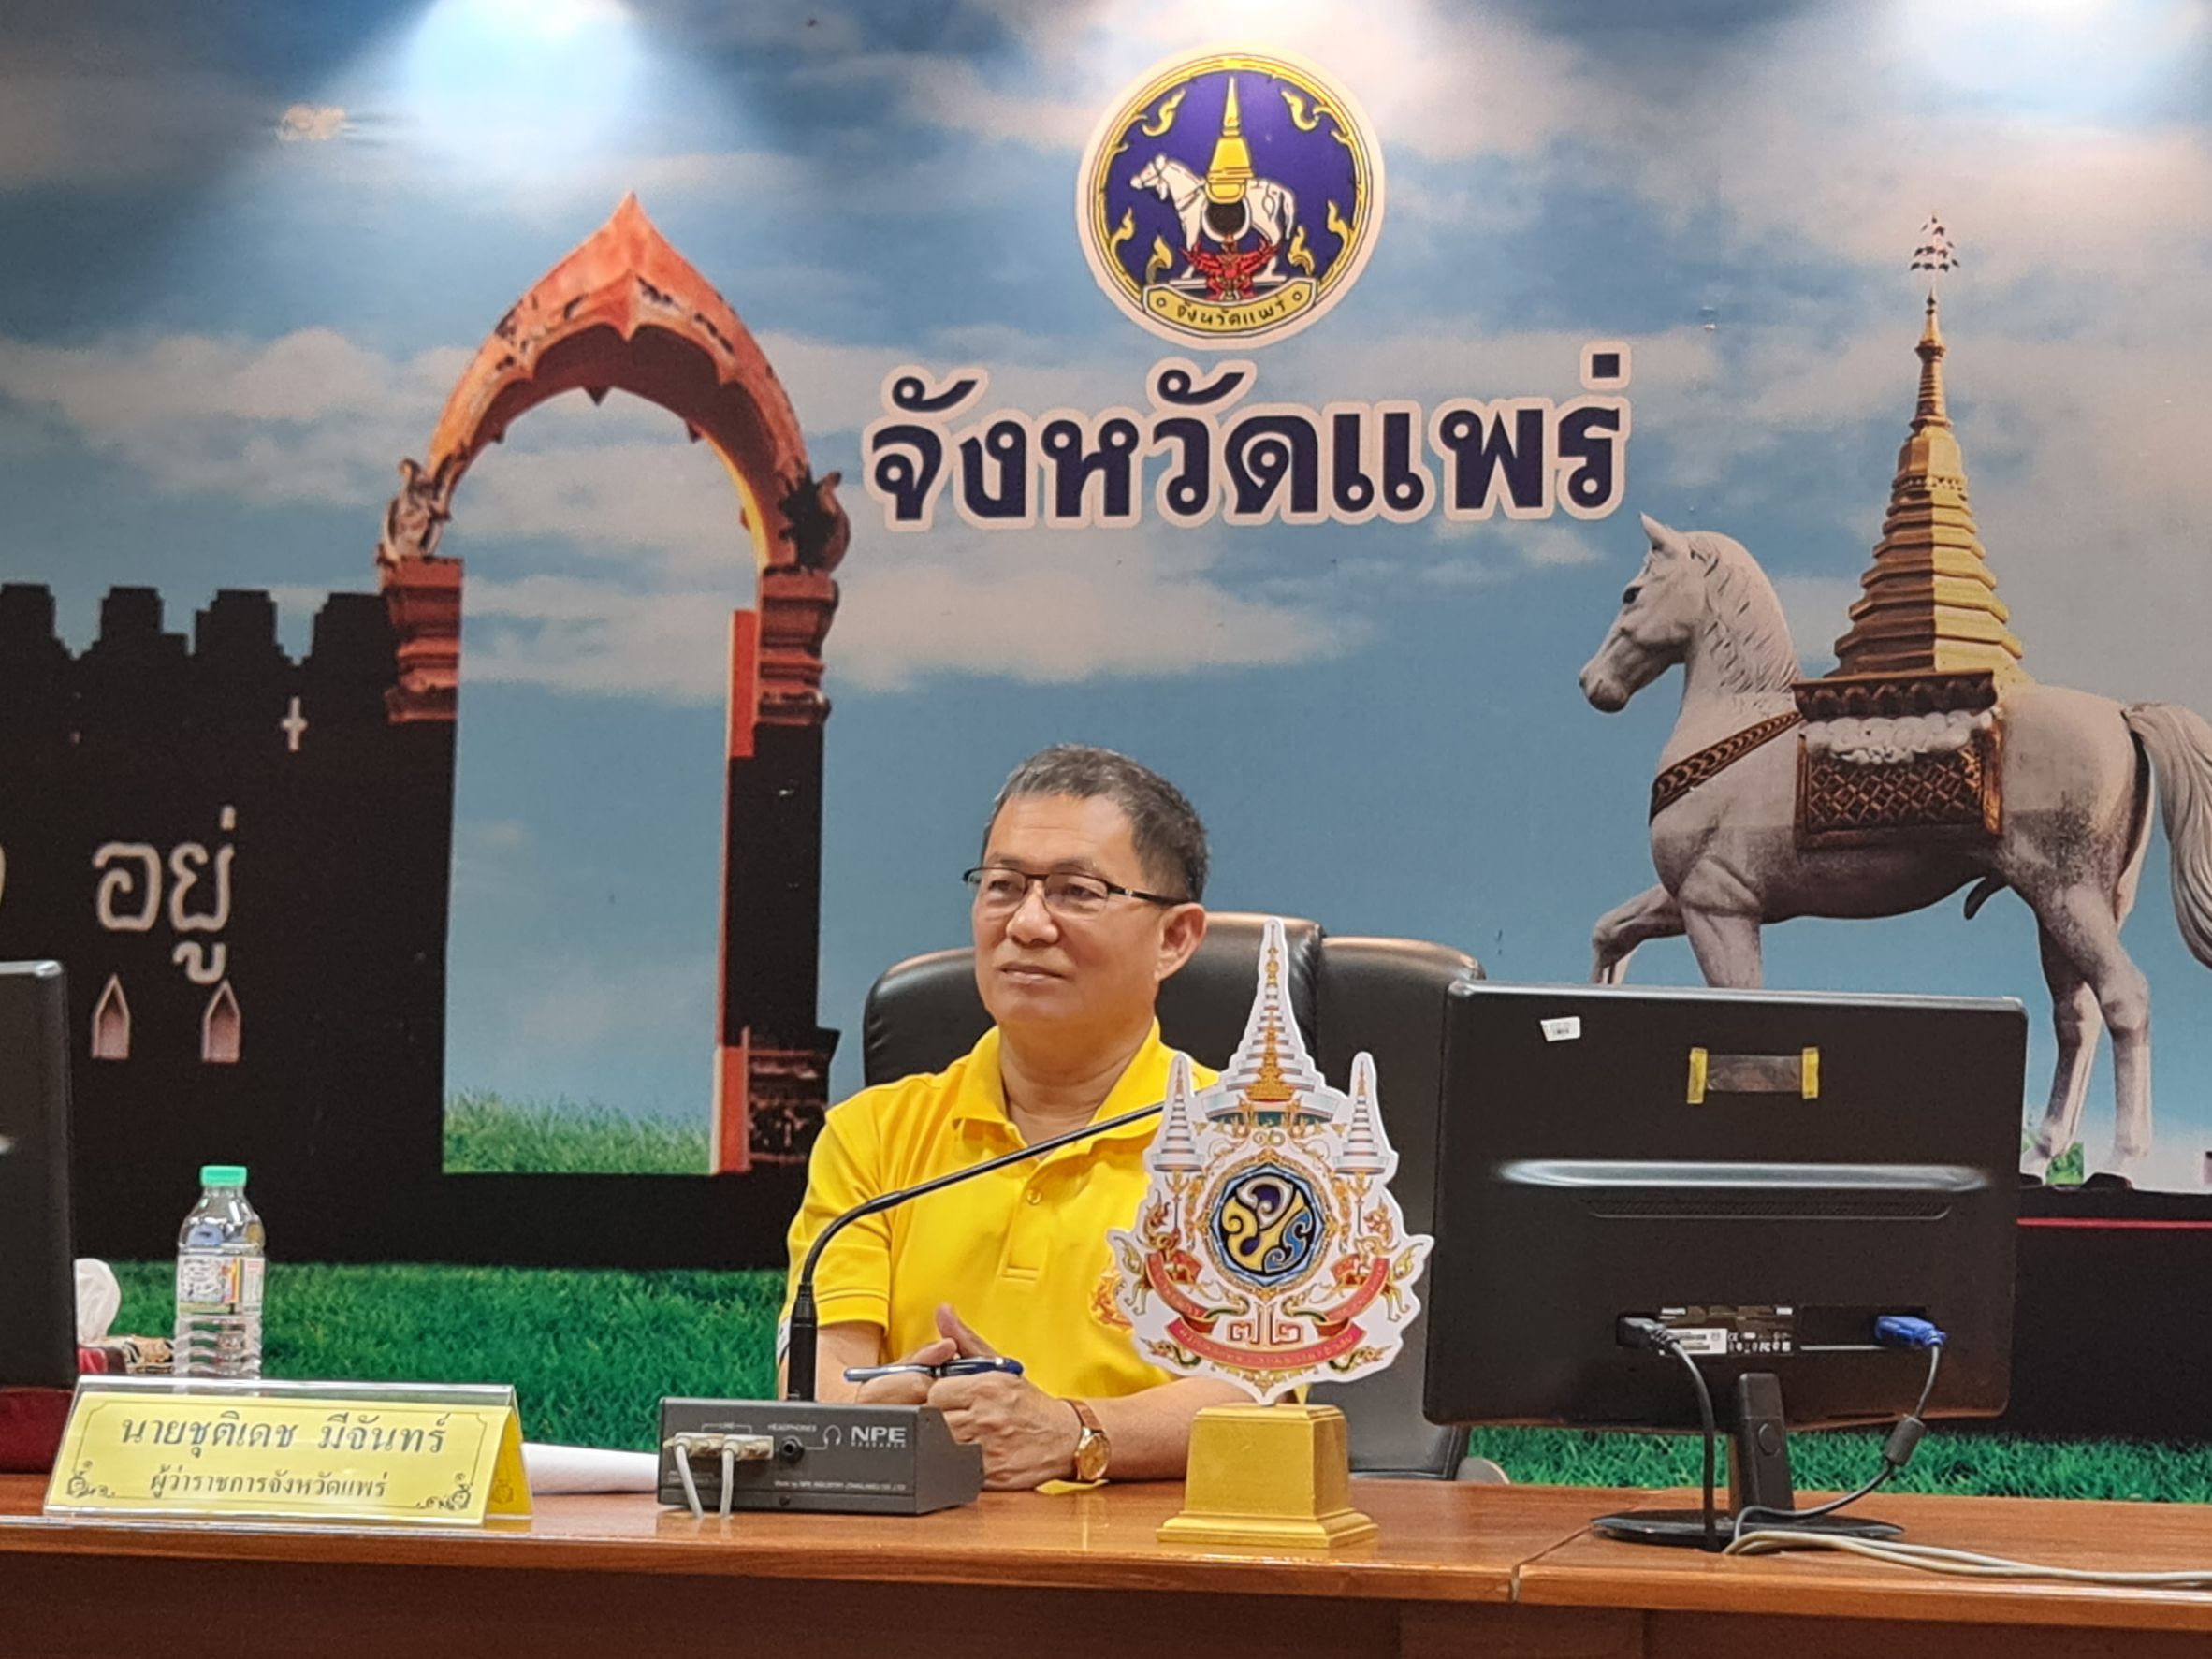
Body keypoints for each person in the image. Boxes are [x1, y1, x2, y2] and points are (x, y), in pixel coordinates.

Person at [780, 744, 1248, 1488]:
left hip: (1160, 1548)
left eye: (1076, 891)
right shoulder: (873, 1134)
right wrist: (875, 1410)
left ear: (1174, 938)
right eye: (1003, 886)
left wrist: (1072, 1431)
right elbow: (821, 1369)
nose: (1027, 923)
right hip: (921, 1544)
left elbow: (1256, 1395)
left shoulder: (1246, 1146)